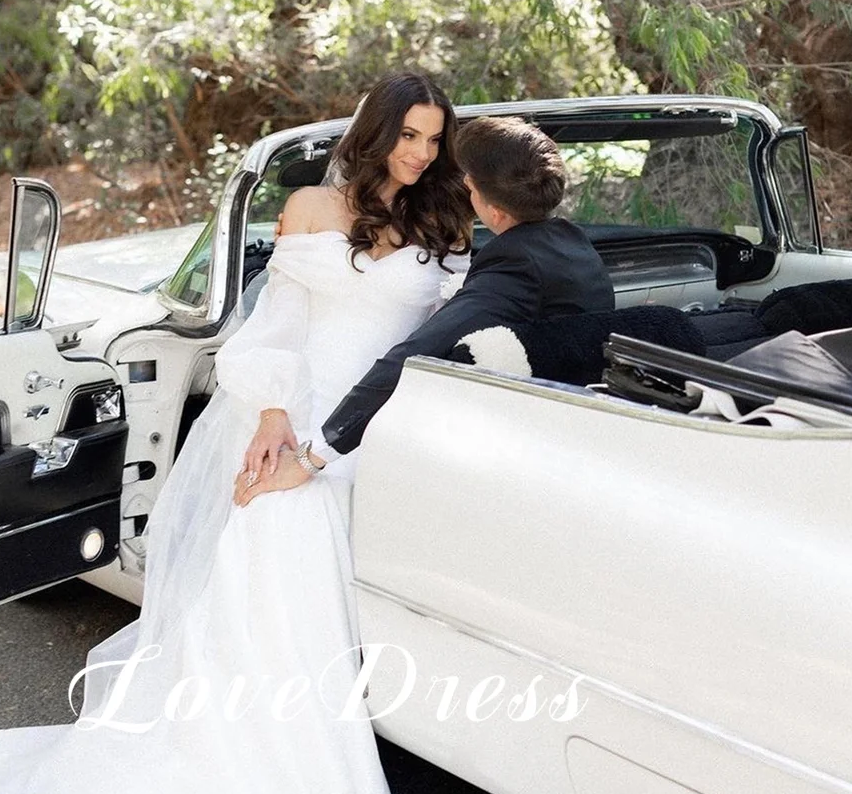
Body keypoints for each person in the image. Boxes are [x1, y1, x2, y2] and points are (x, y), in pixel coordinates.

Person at [0, 74, 525, 794]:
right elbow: (277, 328)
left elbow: (455, 326)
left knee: (292, 520)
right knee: (269, 523)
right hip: (286, 409)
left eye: (433, 140)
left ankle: (298, 758)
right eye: (409, 136)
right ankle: (269, 761)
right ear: (377, 133)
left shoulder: (446, 227)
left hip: (377, 425)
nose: (421, 154)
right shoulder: (310, 204)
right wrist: (270, 414)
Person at [233, 115, 614, 504]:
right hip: (569, 433)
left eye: (470, 184)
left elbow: (417, 356)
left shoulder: (511, 270)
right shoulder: (573, 245)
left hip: (518, 456)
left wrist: (311, 459)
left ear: (493, 211)